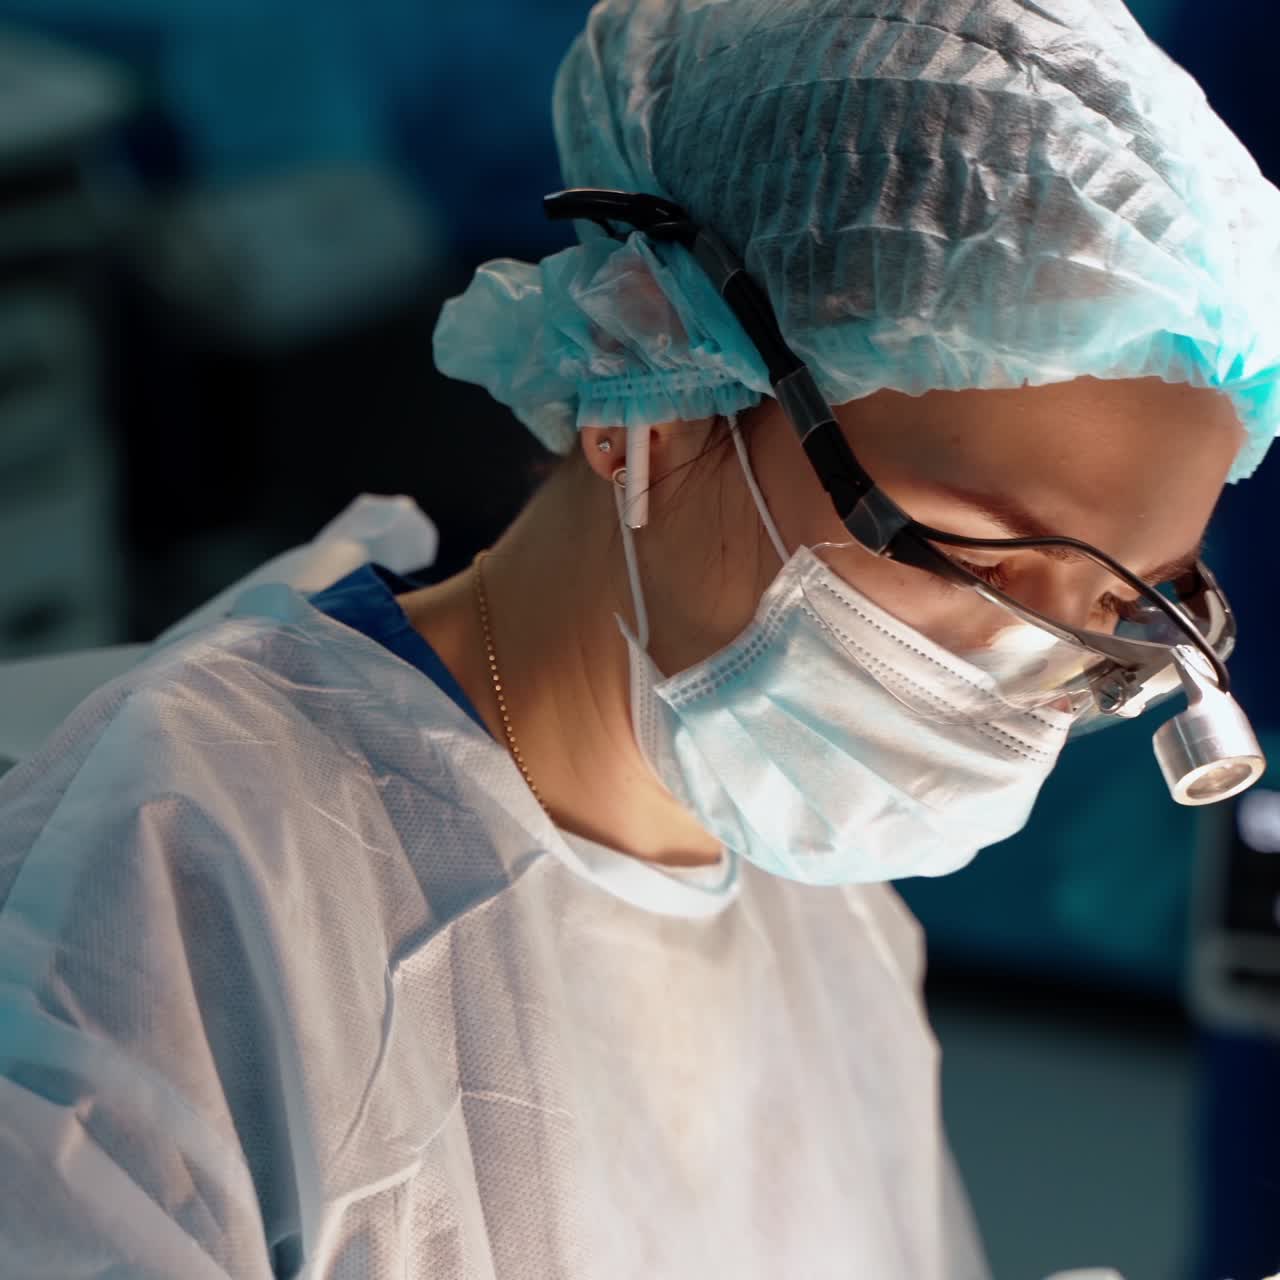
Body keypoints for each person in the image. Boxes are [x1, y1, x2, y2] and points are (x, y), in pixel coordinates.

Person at [2, 1, 1279, 1276]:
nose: (1025, 675)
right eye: (975, 558)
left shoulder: (826, 914)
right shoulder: (178, 880)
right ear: (657, 385)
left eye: (1120, 606)